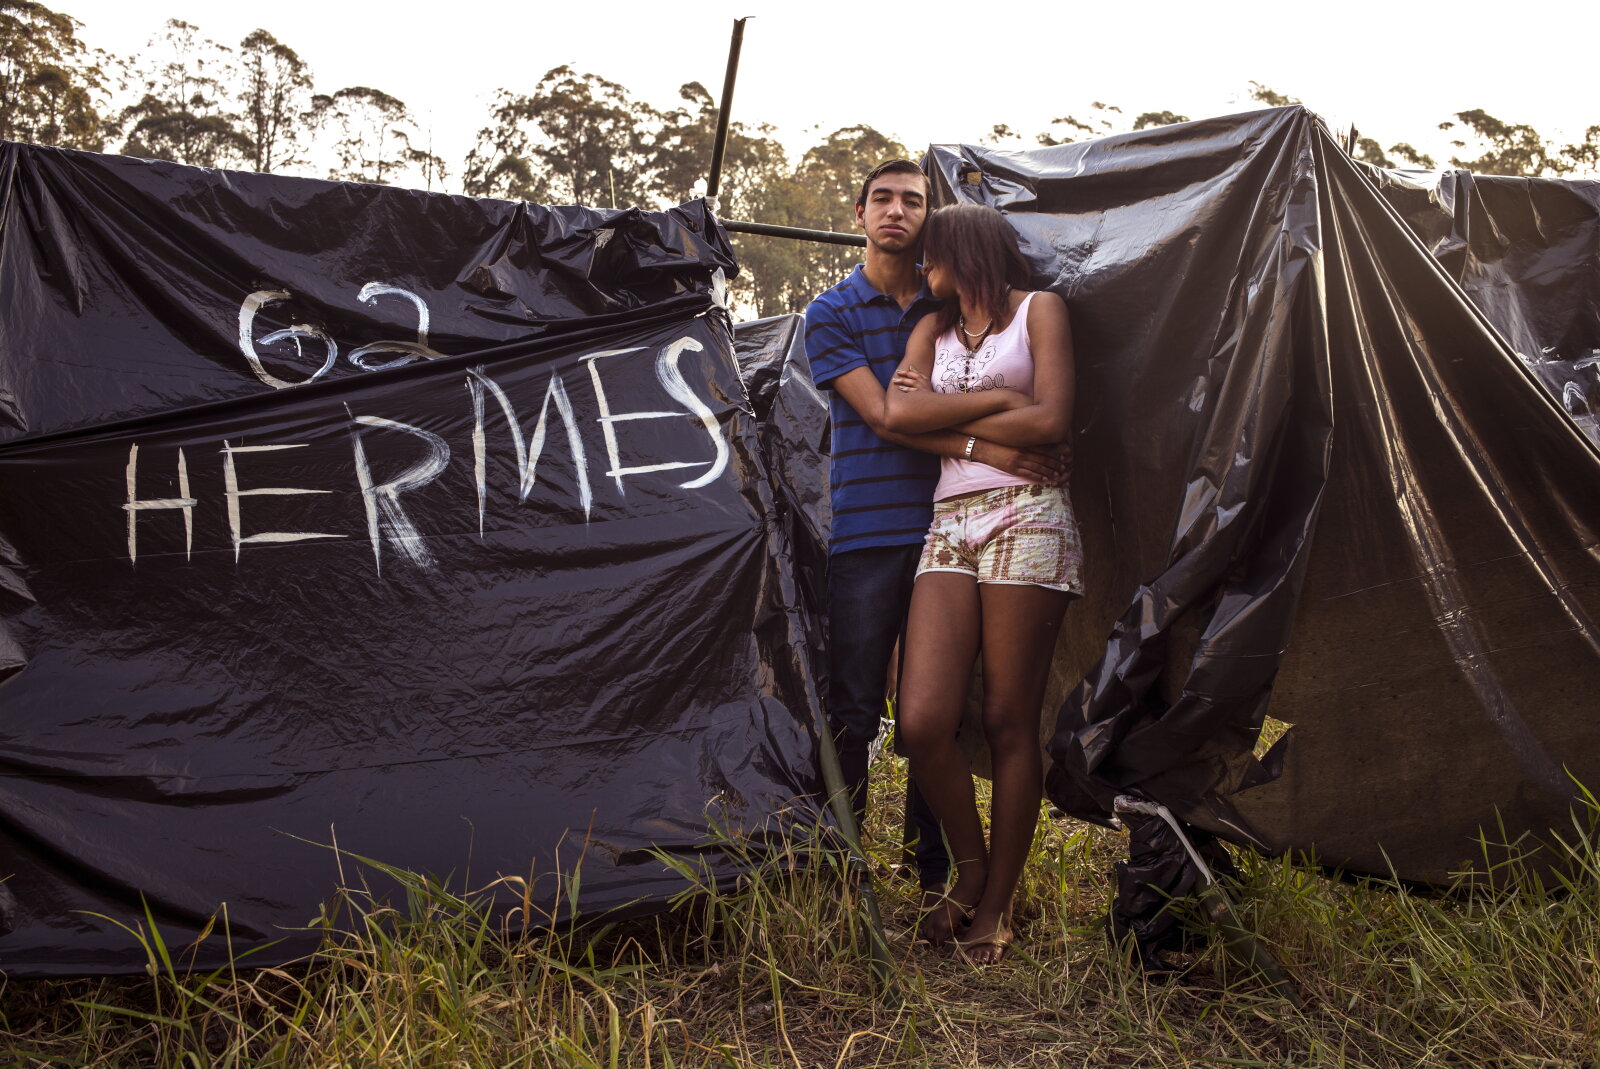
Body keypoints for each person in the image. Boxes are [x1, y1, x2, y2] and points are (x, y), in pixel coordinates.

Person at [803, 162, 1069, 899]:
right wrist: (993, 434)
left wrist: (994, 410)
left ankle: (933, 871)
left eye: (913, 201)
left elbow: (1033, 410)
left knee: (942, 713)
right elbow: (888, 417)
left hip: (946, 523)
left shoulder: (946, 310)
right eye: (882, 198)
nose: (896, 211)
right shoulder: (830, 313)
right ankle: (840, 869)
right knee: (855, 703)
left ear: (933, 221)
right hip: (866, 527)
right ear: (858, 211)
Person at [883, 202, 1083, 965]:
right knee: (923, 718)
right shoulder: (931, 329)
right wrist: (998, 410)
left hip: (1028, 517)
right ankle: (966, 873)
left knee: (1007, 716)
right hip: (951, 520)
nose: (923, 267)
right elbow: (899, 412)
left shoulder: (1041, 312)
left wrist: (967, 419)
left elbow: (1054, 419)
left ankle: (993, 904)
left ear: (962, 252)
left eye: (932, 253)